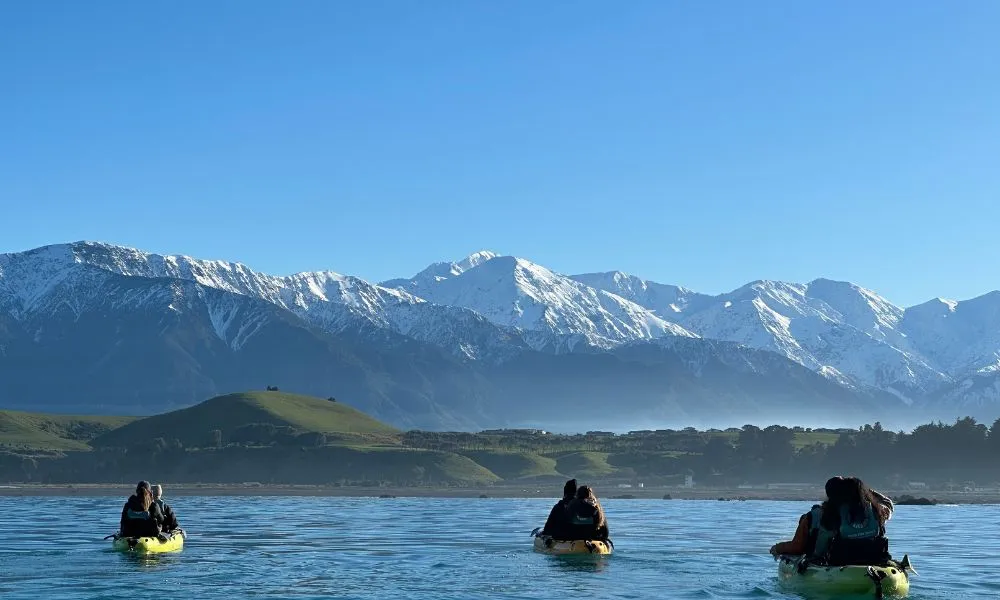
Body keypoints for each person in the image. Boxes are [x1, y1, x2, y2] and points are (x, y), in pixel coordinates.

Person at [770, 476, 892, 566]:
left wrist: (777, 548)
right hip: (875, 562)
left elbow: (800, 547)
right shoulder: (877, 511)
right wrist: (860, 487)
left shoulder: (821, 515)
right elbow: (888, 504)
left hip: (839, 565)